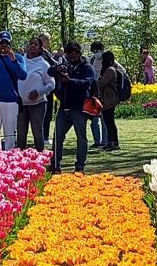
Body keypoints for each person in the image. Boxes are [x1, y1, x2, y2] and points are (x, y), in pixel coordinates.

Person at [50, 41, 96, 173]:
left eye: (74, 57)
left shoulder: (87, 67)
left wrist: (70, 81)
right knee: (58, 137)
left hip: (79, 107)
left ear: (79, 54)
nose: (72, 59)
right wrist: (57, 69)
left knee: (81, 138)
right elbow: (49, 71)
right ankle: (55, 165)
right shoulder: (66, 65)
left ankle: (80, 166)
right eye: (69, 57)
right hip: (64, 107)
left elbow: (87, 82)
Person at [0, 33, 28, 148]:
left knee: (10, 133)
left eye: (7, 43)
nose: (4, 46)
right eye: (2, 43)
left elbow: (23, 75)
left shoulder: (18, 58)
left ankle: (10, 156)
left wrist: (13, 60)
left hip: (11, 100)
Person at [17, 35, 55, 149]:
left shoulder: (43, 64)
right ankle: (19, 161)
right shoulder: (20, 61)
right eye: (31, 43)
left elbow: (51, 84)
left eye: (36, 44)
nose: (32, 45)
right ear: (27, 46)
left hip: (38, 104)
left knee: (37, 132)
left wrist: (38, 91)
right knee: (20, 134)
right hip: (21, 104)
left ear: (40, 49)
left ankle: (39, 158)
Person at [96, 50, 127, 152]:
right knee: (108, 121)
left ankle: (113, 143)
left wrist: (94, 82)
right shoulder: (108, 70)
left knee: (109, 122)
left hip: (110, 99)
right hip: (107, 99)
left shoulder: (110, 70)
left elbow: (102, 83)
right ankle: (111, 142)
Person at [88, 41, 109, 147]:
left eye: (98, 50)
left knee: (104, 118)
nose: (96, 53)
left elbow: (121, 70)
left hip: (105, 92)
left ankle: (105, 141)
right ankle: (97, 141)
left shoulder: (108, 60)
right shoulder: (91, 60)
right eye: (94, 51)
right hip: (94, 92)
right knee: (94, 118)